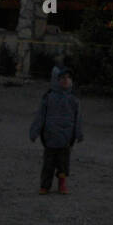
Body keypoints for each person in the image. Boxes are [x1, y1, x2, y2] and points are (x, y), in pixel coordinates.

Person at [29, 65, 84, 195]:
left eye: (68, 77)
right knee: (48, 164)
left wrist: (78, 133)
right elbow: (40, 116)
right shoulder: (48, 97)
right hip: (50, 137)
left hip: (66, 138)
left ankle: (62, 183)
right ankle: (45, 185)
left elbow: (78, 118)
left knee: (63, 164)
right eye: (62, 78)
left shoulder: (73, 99)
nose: (66, 80)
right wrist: (34, 131)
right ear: (55, 80)